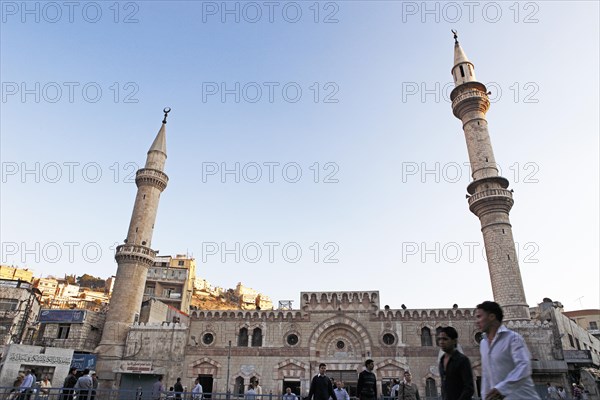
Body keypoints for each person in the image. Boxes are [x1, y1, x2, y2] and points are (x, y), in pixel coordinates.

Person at [476, 301, 541, 400]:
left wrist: (502, 389)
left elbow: (524, 366)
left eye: (479, 316)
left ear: (492, 317)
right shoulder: (483, 344)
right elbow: (486, 375)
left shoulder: (513, 338)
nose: (477, 321)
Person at [437, 326, 474, 400]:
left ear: (454, 341)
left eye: (445, 339)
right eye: (439, 339)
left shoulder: (462, 360)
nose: (441, 342)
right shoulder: (441, 360)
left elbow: (469, 388)